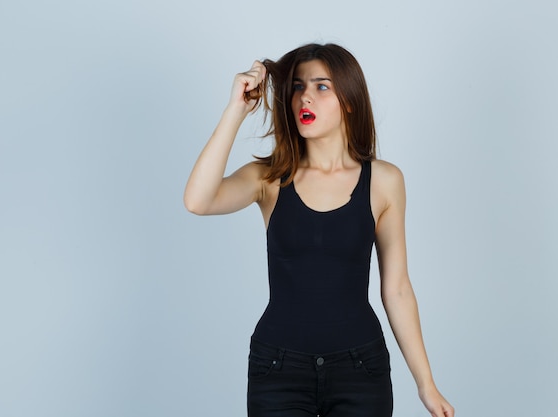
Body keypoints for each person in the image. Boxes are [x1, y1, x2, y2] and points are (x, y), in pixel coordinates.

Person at [184, 43, 454, 417]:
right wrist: (236, 110)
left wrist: (426, 385)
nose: (304, 97)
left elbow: (397, 289)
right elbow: (198, 201)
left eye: (321, 86)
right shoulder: (270, 178)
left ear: (350, 101)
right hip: (278, 371)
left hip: (361, 370)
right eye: (297, 86)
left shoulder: (384, 181)